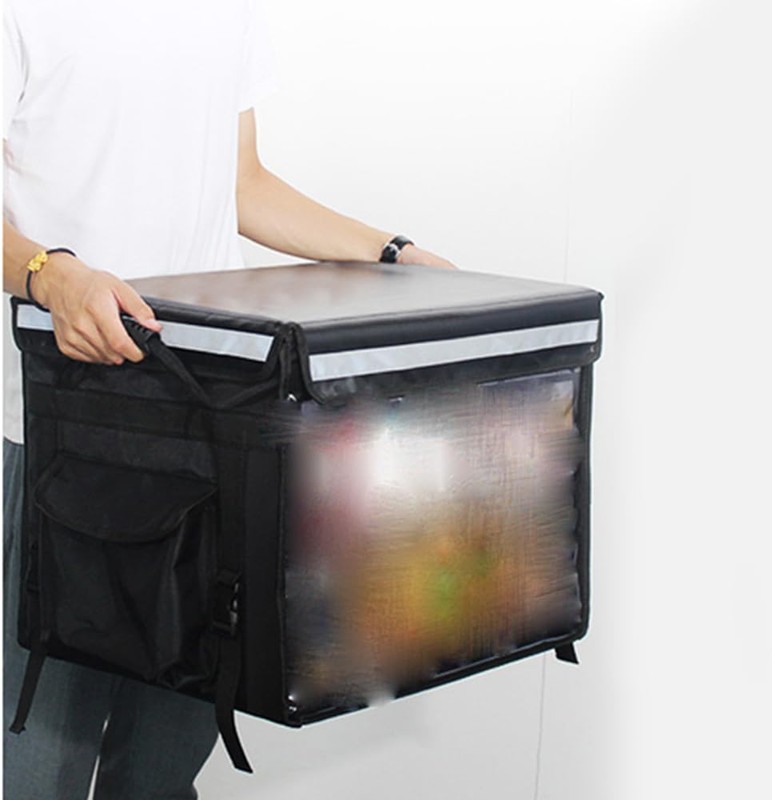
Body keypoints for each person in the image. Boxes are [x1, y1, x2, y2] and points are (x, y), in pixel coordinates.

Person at [2, 1, 453, 797]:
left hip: (210, 416)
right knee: (41, 762)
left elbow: (240, 184)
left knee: (170, 747)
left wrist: (389, 253)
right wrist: (49, 274)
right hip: (64, 426)